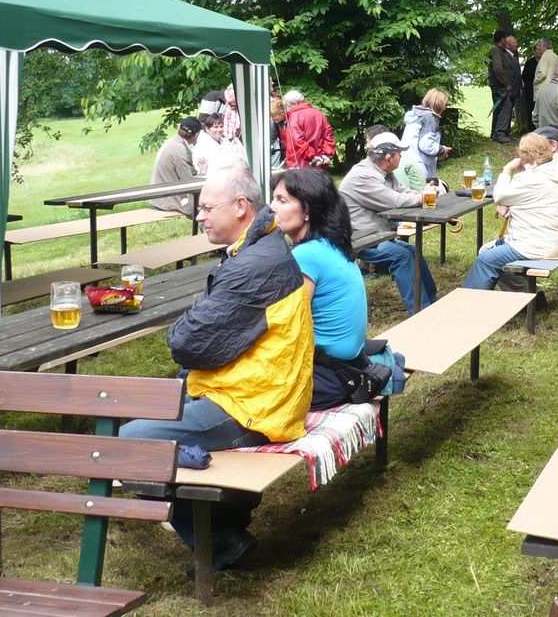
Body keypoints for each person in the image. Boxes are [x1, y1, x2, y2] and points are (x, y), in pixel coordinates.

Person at [119, 167, 313, 573]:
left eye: (207, 208)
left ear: (241, 206)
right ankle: (228, 518)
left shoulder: (253, 265)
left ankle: (220, 540)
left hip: (256, 407)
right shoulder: (263, 246)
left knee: (126, 441)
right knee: (150, 403)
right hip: (263, 393)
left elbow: (186, 343)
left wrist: (190, 324)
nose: (199, 216)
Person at [270, 169, 368, 410]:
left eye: (282, 200)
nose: (271, 208)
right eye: (273, 199)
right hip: (350, 365)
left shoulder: (306, 255)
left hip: (327, 376)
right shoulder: (330, 244)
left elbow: (288, 326)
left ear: (307, 211)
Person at [339, 132, 438, 314]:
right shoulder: (363, 176)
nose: (401, 156)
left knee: (412, 251)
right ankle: (421, 312)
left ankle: (432, 301)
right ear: (388, 157)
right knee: (402, 256)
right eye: (399, 153)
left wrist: (423, 194)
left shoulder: (385, 173)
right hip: (358, 240)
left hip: (376, 235)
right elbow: (395, 201)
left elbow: (404, 192)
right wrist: (424, 197)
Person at [463, 133, 558, 291]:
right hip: (557, 241)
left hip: (535, 245)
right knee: (487, 249)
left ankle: (468, 300)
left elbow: (499, 197)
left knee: (485, 260)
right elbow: (528, 197)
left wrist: (507, 170)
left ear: (524, 155)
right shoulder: (554, 174)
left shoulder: (528, 179)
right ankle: (525, 295)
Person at [149, 116, 201, 215]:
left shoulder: (173, 142)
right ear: (196, 135)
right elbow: (188, 181)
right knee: (207, 206)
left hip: (158, 195)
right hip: (167, 200)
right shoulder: (181, 150)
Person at [399, 88, 452, 181]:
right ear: (439, 104)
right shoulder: (429, 119)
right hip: (418, 167)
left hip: (404, 162)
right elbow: (425, 145)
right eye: (444, 105)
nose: (444, 108)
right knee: (424, 189)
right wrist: (442, 150)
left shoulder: (416, 116)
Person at [281, 89, 336, 169]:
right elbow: (328, 136)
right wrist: (326, 154)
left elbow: (298, 141)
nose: (287, 109)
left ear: (294, 104)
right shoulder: (319, 114)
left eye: (287, 106)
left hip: (301, 163)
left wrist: (312, 156)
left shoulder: (294, 117)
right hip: (319, 162)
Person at [487, 30, 516, 144]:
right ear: (502, 39)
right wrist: (506, 83)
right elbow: (498, 69)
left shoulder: (499, 51)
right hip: (499, 85)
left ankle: (495, 132)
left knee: (499, 108)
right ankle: (499, 133)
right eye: (505, 40)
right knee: (506, 107)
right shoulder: (496, 51)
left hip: (499, 84)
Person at [520, 40, 538, 132]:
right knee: (530, 109)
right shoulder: (530, 62)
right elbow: (525, 76)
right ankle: (531, 129)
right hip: (530, 90)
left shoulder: (545, 62)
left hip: (541, 90)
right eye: (537, 50)